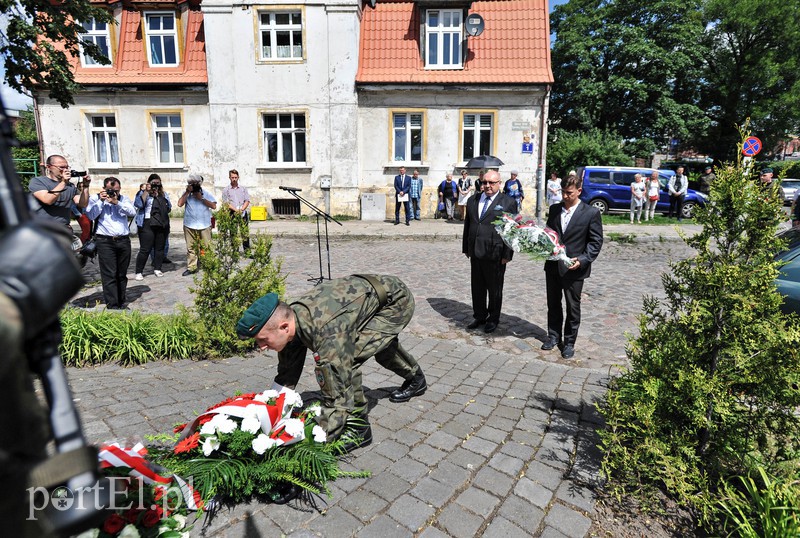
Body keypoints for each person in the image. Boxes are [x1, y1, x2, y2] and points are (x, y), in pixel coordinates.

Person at [236, 275, 428, 451]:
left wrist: (311, 442)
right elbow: (287, 372)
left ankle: (359, 429)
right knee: (380, 346)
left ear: (284, 327)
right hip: (365, 298)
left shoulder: (325, 332)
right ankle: (417, 380)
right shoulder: (293, 322)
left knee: (351, 359)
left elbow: (338, 394)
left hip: (394, 302)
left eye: (263, 340)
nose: (261, 346)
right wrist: (272, 410)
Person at [542, 174, 604, 359]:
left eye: (569, 193)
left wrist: (583, 259)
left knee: (572, 306)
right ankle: (553, 336)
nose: (565, 196)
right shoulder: (554, 210)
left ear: (579, 191)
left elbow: (595, 242)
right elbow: (549, 234)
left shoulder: (591, 213)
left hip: (575, 268)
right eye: (563, 192)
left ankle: (569, 342)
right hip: (553, 266)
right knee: (553, 304)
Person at [462, 170, 519, 333]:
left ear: (499, 183)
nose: (487, 186)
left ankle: (493, 318)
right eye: (484, 182)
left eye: (491, 183)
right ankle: (479, 315)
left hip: (496, 253)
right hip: (476, 251)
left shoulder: (508, 202)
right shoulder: (473, 200)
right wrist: (466, 247)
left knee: (494, 288)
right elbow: (468, 224)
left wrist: (507, 255)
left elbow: (512, 231)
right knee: (477, 287)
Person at [84, 177, 136, 309]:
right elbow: (90, 215)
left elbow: (132, 212)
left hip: (123, 240)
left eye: (116, 190)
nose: (114, 193)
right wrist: (102, 201)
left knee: (121, 273)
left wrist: (116, 202)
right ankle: (112, 305)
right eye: (110, 190)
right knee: (109, 274)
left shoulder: (123, 199)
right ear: (104, 189)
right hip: (105, 241)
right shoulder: (96, 199)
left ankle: (121, 300)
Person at [29, 154, 91, 227]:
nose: (65, 170)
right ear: (49, 167)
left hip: (64, 228)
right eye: (61, 167)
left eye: (67, 167)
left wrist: (86, 187)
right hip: (43, 229)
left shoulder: (70, 186)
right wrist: (63, 182)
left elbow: (82, 204)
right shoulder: (38, 181)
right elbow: (47, 200)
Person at [178, 174, 217, 276]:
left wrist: (202, 198)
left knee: (207, 247)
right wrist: (187, 192)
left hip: (204, 224)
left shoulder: (206, 193)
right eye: (191, 183)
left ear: (199, 184)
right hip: (189, 224)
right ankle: (192, 267)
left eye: (195, 184)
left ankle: (208, 265)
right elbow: (179, 204)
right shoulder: (187, 194)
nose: (193, 185)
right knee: (191, 248)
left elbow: (213, 206)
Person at [134, 175, 171, 280]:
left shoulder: (163, 194)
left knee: (160, 248)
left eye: (157, 183)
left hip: (161, 223)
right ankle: (139, 271)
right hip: (147, 222)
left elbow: (169, 208)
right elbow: (138, 204)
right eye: (153, 183)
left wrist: (159, 197)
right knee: (145, 249)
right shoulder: (142, 193)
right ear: (148, 183)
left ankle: (157, 268)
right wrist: (146, 191)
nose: (155, 185)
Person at [221, 169, 251, 252]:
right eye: (232, 177)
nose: (234, 179)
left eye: (235, 177)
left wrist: (242, 209)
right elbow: (226, 203)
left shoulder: (243, 189)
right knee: (233, 232)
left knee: (244, 232)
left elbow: (247, 200)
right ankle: (235, 251)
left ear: (238, 177)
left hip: (242, 212)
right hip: (232, 212)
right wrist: (235, 210)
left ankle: (247, 251)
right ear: (229, 178)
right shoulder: (226, 190)